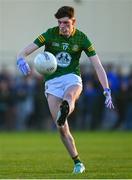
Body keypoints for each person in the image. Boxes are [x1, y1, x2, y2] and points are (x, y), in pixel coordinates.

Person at [17, 6, 114, 174]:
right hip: (52, 82)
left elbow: (97, 65)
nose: (62, 26)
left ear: (73, 22)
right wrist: (20, 59)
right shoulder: (49, 34)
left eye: (66, 23)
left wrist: (107, 89)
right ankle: (77, 162)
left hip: (72, 78)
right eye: (60, 22)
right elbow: (25, 50)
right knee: (61, 127)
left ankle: (66, 107)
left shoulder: (82, 38)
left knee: (70, 96)